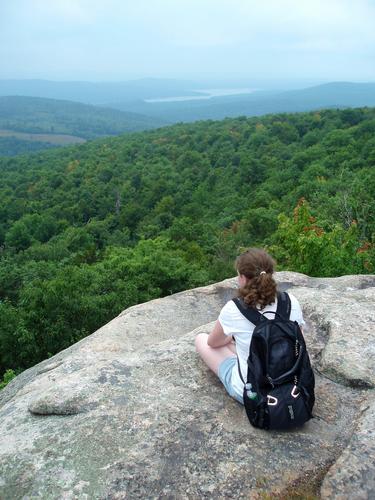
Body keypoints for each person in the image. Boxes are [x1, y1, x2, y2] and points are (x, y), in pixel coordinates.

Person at [195, 247, 305, 404]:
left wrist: (231, 339)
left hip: (253, 395)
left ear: (243, 278)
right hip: (291, 389)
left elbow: (213, 343)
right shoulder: (290, 302)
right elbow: (299, 343)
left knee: (201, 339)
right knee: (243, 346)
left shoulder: (234, 308)